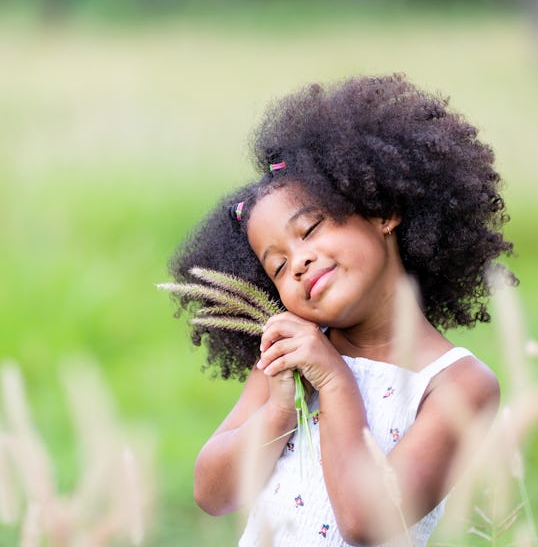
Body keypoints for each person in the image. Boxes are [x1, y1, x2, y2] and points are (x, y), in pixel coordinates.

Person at [167, 74, 515, 546]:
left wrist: (334, 381)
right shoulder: (292, 359)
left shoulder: (458, 385)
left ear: (382, 211)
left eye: (309, 230)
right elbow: (211, 493)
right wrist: (277, 411)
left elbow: (366, 522)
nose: (299, 263)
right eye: (278, 267)